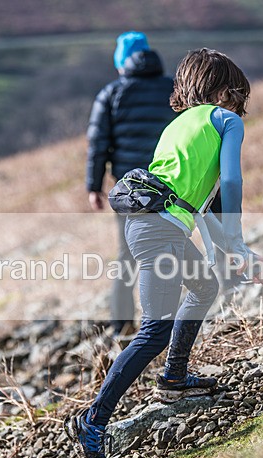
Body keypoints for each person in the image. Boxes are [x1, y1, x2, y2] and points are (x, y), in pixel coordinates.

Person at [67, 49, 263, 458]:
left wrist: (232, 250)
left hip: (154, 224)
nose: (241, 109)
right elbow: (231, 182)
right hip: (159, 229)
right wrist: (236, 243)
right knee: (154, 331)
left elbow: (199, 203)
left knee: (204, 288)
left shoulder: (178, 125)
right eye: (238, 97)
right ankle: (93, 421)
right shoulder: (225, 121)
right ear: (223, 91)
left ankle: (174, 377)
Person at [86, 31, 177, 337]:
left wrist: (93, 186)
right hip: (171, 184)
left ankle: (122, 326)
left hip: (131, 191)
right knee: (171, 249)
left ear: (121, 62)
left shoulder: (112, 93)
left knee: (129, 254)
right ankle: (168, 323)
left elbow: (98, 143)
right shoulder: (173, 89)